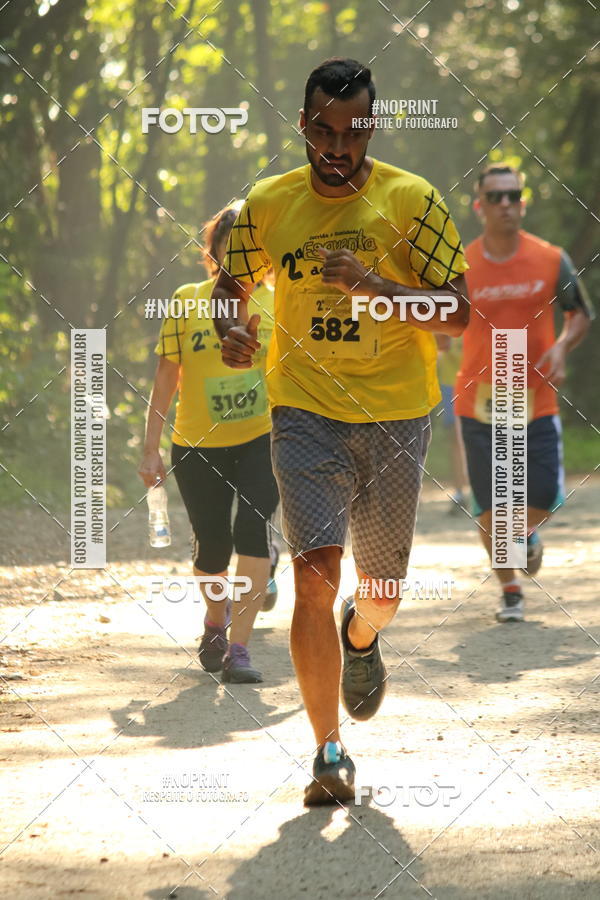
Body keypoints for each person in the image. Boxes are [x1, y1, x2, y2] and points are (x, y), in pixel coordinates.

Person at [210, 58, 469, 804]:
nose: (337, 146)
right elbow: (233, 286)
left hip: (395, 413)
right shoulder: (269, 203)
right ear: (302, 126)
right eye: (323, 130)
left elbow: (457, 311)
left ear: (370, 129)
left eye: (352, 132)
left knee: (381, 589)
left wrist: (378, 288)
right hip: (303, 411)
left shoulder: (411, 200)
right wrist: (233, 328)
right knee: (313, 577)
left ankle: (366, 633)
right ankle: (328, 752)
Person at [138, 203, 280, 683]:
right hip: (197, 445)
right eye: (230, 238)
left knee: (252, 532)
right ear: (215, 249)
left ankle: (239, 647)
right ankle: (215, 622)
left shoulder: (279, 305)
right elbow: (166, 378)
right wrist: (149, 447)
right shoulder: (187, 300)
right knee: (213, 548)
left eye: (251, 241)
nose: (239, 248)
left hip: (262, 438)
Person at [455, 165, 593, 623]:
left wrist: (560, 347)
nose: (506, 204)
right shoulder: (462, 265)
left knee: (543, 496)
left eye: (513, 196)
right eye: (495, 197)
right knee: (492, 504)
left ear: (524, 203)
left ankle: (524, 535)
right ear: (479, 207)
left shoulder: (551, 259)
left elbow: (580, 314)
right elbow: (442, 321)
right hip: (480, 400)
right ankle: (510, 588)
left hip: (536, 399)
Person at [435, 333, 469, 513]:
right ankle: (459, 492)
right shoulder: (448, 307)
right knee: (456, 439)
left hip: (479, 382)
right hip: (451, 384)